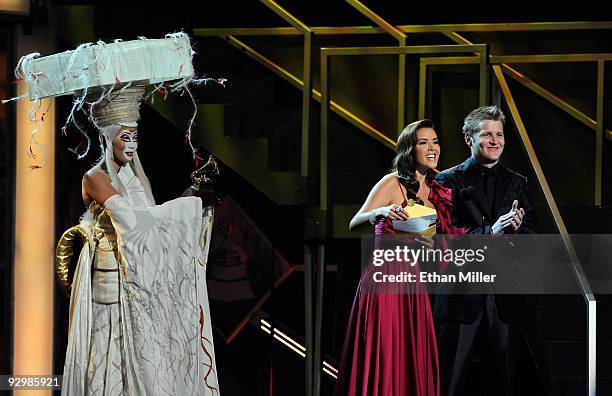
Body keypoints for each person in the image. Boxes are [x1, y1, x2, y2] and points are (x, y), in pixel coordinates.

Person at [11, 36, 221, 395]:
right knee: (108, 368)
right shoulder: (96, 177)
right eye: (125, 136)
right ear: (109, 136)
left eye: (136, 136)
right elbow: (134, 224)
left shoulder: (137, 177)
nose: (132, 144)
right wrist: (186, 211)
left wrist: (194, 199)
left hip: (134, 282)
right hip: (108, 287)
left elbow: (154, 223)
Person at [334, 119, 464, 396]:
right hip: (385, 280)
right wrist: (378, 214)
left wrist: (432, 245)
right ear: (410, 149)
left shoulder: (437, 191)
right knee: (385, 352)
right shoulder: (391, 182)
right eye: (423, 142)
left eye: (435, 141)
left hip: (414, 280)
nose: (432, 148)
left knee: (409, 356)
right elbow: (354, 221)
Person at [433, 105, 536, 395]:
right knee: (450, 381)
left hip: (504, 299)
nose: (495, 141)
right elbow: (443, 239)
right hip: (460, 296)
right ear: (469, 138)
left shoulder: (518, 182)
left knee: (502, 382)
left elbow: (532, 236)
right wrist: (491, 233)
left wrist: (515, 234)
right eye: (487, 134)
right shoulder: (446, 181)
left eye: (500, 134)